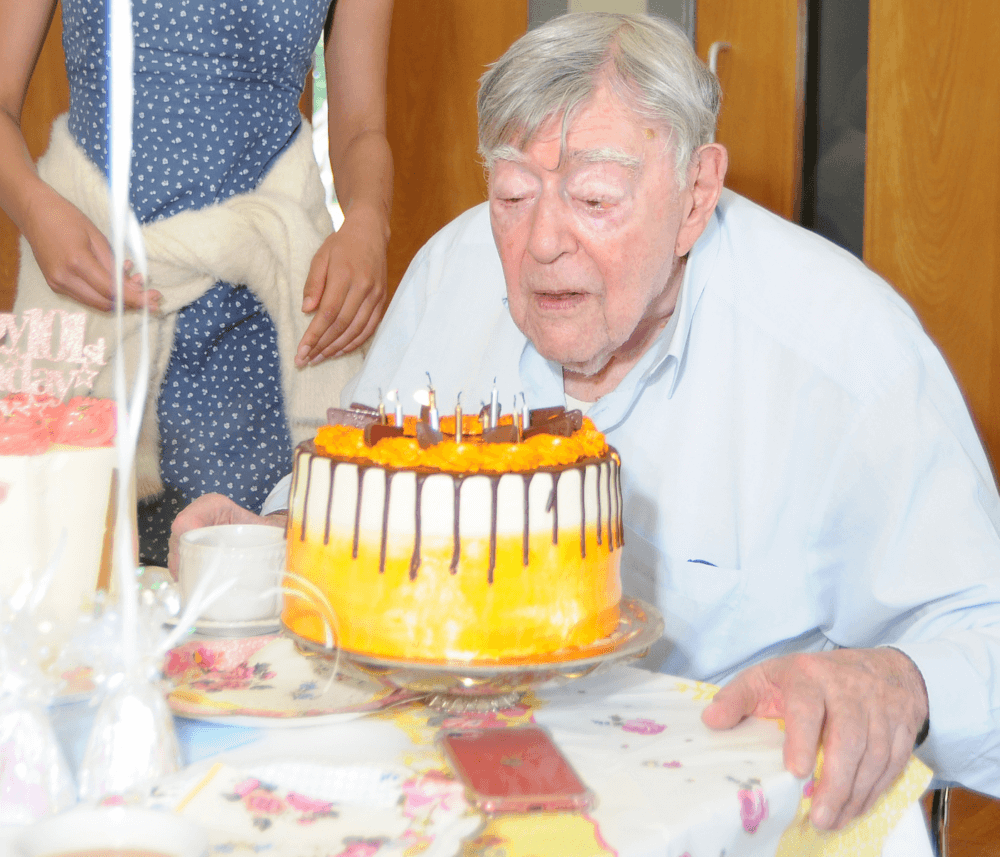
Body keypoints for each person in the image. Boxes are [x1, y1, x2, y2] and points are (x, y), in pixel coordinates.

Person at [170, 12, 1000, 832]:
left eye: (595, 197)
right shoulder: (454, 272)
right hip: (458, 794)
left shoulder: (842, 351)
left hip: (726, 821)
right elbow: (370, 496)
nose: (542, 243)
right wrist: (274, 533)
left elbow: (984, 635)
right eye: (512, 195)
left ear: (696, 193)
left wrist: (901, 679)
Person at [0, 0, 394, 565]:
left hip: (271, 331)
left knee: (259, 610)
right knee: (70, 596)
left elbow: (363, 127)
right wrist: (37, 211)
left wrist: (369, 222)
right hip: (91, 294)